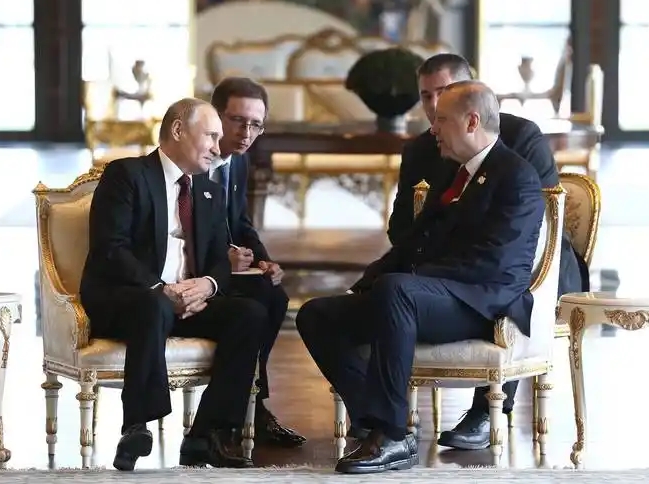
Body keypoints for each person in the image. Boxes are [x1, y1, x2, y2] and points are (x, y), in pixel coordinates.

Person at [296, 81, 546, 474]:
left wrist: (410, 279)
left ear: (472, 122)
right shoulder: (452, 172)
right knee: (317, 315)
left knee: (397, 291)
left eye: (442, 119)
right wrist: (367, 283)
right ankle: (374, 422)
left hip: (482, 303)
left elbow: (493, 262)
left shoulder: (516, 176)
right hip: (426, 296)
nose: (433, 128)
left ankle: (391, 435)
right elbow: (413, 241)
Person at [386, 53, 590, 450]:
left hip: (536, 264)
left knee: (502, 284)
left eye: (443, 92)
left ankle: (487, 410)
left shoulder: (521, 136)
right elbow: (401, 227)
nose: (433, 105)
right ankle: (383, 417)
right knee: (399, 293)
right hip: (457, 265)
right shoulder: (421, 150)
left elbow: (536, 227)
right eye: (425, 96)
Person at [79, 98, 266, 471]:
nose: (218, 147)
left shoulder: (208, 191)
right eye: (210, 136)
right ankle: (136, 426)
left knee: (250, 314)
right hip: (129, 299)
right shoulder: (127, 174)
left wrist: (208, 286)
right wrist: (160, 289)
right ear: (178, 130)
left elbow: (219, 259)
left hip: (186, 302)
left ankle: (206, 434)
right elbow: (110, 248)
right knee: (154, 305)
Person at [209, 76, 306, 447]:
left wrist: (264, 261)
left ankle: (252, 401)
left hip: (227, 268)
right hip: (193, 272)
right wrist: (223, 258)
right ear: (216, 116)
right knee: (259, 303)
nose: (246, 133)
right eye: (237, 121)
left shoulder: (239, 161)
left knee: (274, 294)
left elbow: (241, 222)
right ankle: (244, 408)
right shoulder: (194, 160)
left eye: (255, 125)